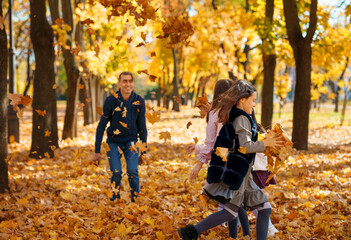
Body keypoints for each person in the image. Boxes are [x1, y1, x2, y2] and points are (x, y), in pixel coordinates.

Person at [178, 80, 284, 240]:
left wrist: (267, 140)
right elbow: (244, 146)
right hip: (237, 172)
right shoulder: (241, 118)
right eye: (253, 100)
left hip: (243, 172)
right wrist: (265, 144)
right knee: (231, 212)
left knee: (261, 210)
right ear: (242, 100)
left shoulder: (239, 115)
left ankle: (191, 232)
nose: (254, 104)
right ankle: (192, 232)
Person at [93, 71, 147, 202]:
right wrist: (97, 151)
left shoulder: (139, 101)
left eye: (130, 81)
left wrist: (143, 151)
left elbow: (142, 127)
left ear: (133, 83)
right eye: (124, 81)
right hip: (113, 141)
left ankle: (136, 198)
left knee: (132, 170)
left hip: (132, 141)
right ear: (119, 83)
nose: (127, 84)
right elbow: (101, 126)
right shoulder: (111, 100)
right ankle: (115, 197)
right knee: (116, 172)